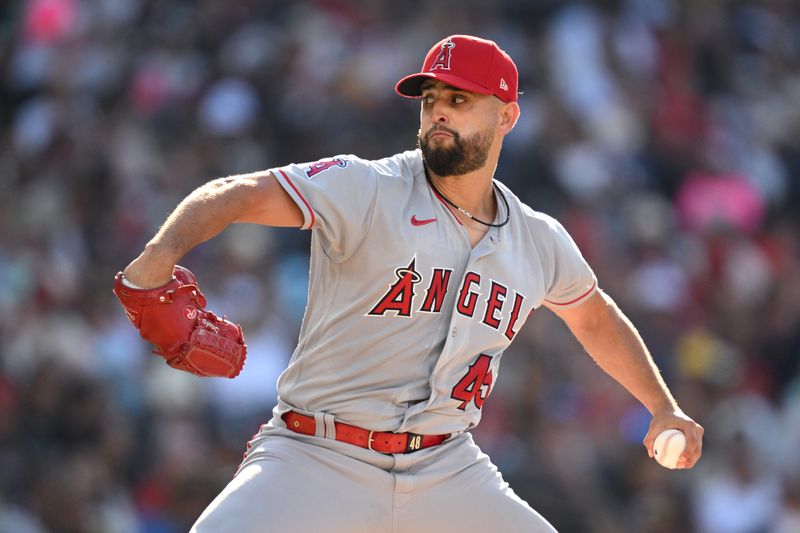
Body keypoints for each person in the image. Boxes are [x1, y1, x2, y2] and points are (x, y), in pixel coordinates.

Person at [119, 35, 704, 532]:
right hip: (314, 453)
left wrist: (662, 407)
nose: (438, 113)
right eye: (429, 100)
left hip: (446, 468)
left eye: (458, 99)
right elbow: (236, 194)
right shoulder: (366, 187)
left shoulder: (539, 239)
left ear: (507, 115)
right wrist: (154, 262)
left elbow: (595, 317)